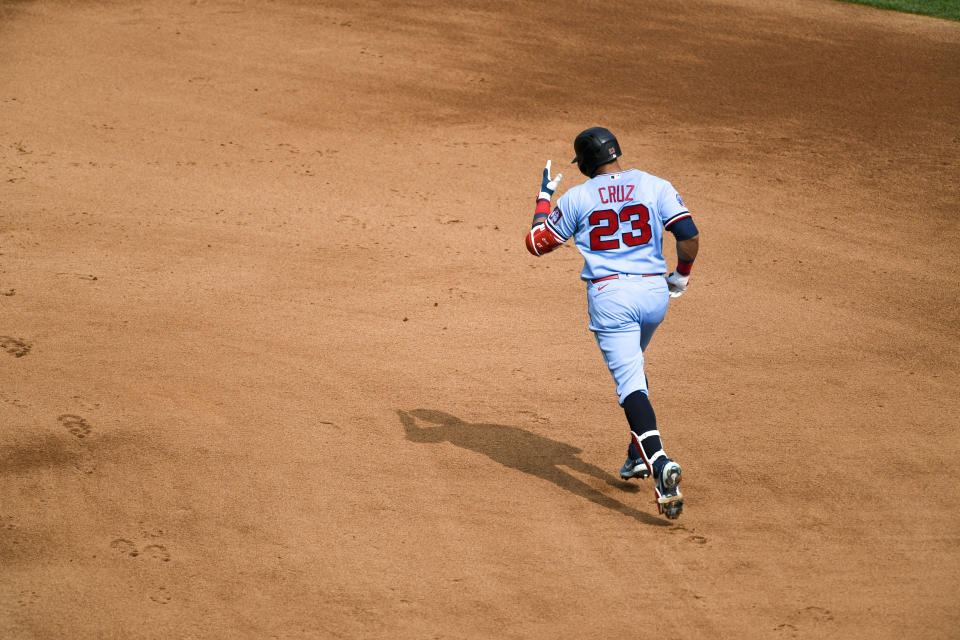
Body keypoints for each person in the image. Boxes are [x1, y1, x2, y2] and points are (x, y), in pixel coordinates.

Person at [523, 127, 700, 519]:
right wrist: (681, 275)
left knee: (629, 384)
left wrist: (543, 197)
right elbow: (687, 234)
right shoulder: (655, 185)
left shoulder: (578, 198)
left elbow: (536, 243)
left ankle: (659, 464)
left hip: (612, 300)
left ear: (585, 163)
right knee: (634, 367)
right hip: (655, 295)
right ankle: (636, 457)